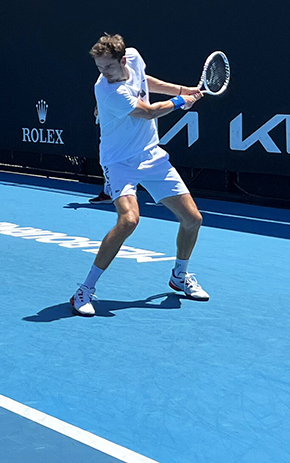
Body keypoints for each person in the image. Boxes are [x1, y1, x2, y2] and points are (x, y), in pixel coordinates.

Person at [70, 33, 210, 317]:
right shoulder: (109, 91)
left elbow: (146, 82)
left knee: (193, 219)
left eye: (108, 67)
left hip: (151, 155)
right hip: (118, 161)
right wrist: (182, 102)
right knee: (129, 220)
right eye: (98, 68)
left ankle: (179, 276)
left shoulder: (133, 57)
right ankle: (84, 291)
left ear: (123, 60)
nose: (103, 74)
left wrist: (182, 90)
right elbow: (147, 112)